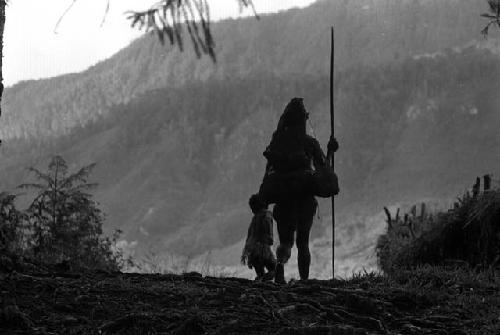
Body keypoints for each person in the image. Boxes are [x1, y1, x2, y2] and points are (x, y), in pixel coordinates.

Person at [258, 97, 339, 284]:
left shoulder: (277, 144)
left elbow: (269, 172)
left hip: (283, 199)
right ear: (303, 120)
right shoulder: (309, 143)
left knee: (286, 242)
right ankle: (304, 280)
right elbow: (323, 168)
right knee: (303, 243)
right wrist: (330, 151)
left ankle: (280, 267)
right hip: (305, 201)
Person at [241, 194, 277, 280]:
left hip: (253, 252)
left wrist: (246, 253)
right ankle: (263, 280)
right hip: (263, 250)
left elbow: (249, 236)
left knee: (260, 273)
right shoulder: (267, 215)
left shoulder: (254, 219)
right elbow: (268, 229)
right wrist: (270, 238)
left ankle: (261, 280)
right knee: (275, 270)